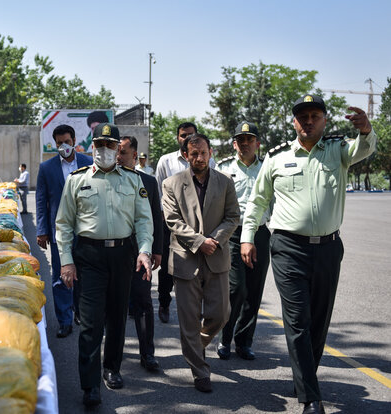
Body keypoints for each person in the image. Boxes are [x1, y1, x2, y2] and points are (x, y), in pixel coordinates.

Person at [241, 95, 377, 414]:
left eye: (315, 115)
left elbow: (365, 148)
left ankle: (304, 378)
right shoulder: (276, 158)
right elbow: (258, 202)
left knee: (319, 320)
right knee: (298, 321)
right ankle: (310, 399)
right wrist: (248, 237)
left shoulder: (338, 150)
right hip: (288, 247)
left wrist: (367, 130)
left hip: (329, 248)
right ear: (294, 122)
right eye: (303, 116)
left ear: (325, 120)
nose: (309, 121)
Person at [56, 123, 153, 408]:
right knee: (90, 322)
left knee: (117, 317)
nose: (105, 150)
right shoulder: (76, 180)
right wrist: (66, 262)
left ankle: (111, 368)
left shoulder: (133, 180)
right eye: (100, 145)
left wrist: (144, 250)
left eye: (111, 146)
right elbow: (63, 225)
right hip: (90, 257)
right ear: (93, 147)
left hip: (123, 255)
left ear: (118, 150)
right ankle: (90, 384)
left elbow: (144, 221)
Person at [161, 133, 239, 393]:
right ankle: (200, 371)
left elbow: (232, 217)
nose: (199, 157)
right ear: (186, 155)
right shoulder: (172, 183)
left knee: (221, 314)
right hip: (185, 259)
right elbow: (172, 220)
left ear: (211, 152)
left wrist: (213, 241)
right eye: (193, 154)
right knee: (189, 320)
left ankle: (194, 344)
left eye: (203, 152)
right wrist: (198, 242)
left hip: (216, 256)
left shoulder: (225, 182)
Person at [215, 121, 271, 361]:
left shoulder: (269, 167)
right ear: (234, 143)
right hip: (233, 234)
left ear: (257, 143)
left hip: (260, 232)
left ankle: (244, 342)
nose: (245, 143)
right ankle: (225, 338)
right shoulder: (223, 167)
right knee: (236, 288)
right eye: (240, 139)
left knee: (254, 291)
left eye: (250, 139)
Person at [155, 122, 216, 323]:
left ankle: (194, 308)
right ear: (177, 138)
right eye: (182, 135)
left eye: (190, 134)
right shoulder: (166, 161)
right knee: (167, 267)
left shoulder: (207, 160)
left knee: (196, 266)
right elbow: (159, 191)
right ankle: (164, 303)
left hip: (197, 224)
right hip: (170, 224)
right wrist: (164, 217)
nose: (186, 138)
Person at [36, 124, 93, 338]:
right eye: (59, 143)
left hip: (87, 229)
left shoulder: (89, 163)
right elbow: (41, 201)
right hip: (59, 230)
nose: (63, 146)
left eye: (67, 142)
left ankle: (79, 311)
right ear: (54, 144)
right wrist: (42, 230)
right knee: (61, 274)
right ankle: (64, 320)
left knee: (83, 274)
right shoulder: (47, 168)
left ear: (74, 141)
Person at [116, 136, 163, 371]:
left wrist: (157, 250)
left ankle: (148, 354)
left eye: (123, 152)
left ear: (135, 156)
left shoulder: (149, 182)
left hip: (140, 254)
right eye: (117, 150)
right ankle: (115, 354)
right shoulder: (107, 180)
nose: (117, 155)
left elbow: (157, 218)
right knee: (115, 305)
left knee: (143, 303)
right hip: (114, 254)